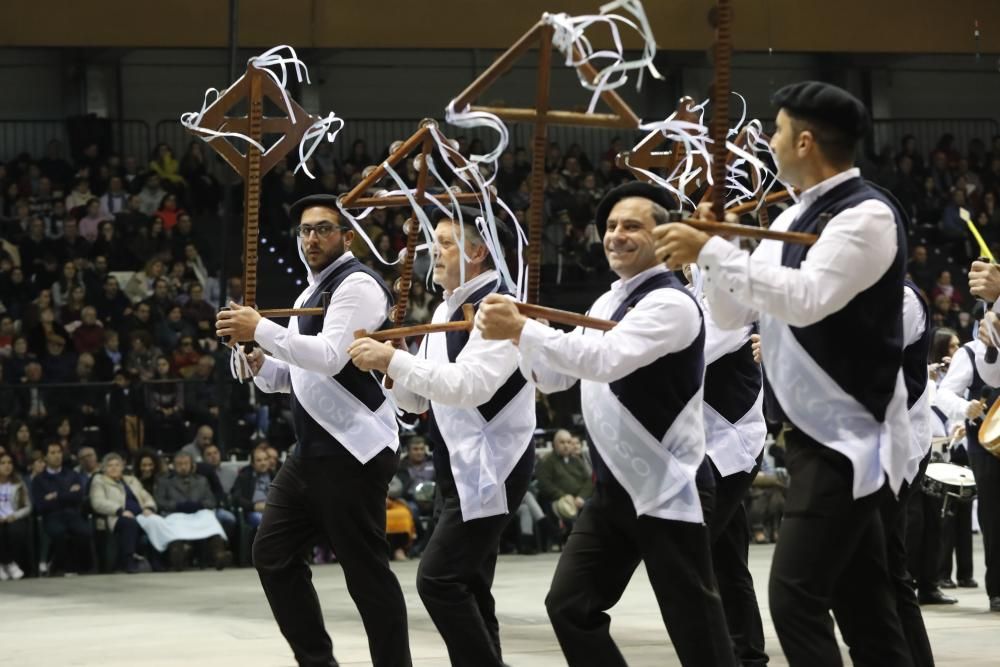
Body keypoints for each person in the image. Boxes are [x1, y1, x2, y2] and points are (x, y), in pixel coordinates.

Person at [654, 81, 915, 664]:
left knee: (794, 595)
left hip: (852, 437)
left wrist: (715, 252)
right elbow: (730, 316)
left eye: (775, 130)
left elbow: (805, 298)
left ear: (803, 140)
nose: (768, 141)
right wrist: (716, 250)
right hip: (813, 436)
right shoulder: (796, 215)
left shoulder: (867, 214)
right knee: (864, 604)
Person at [477, 182, 735, 666]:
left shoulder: (672, 304)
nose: (616, 234)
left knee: (693, 623)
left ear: (663, 238)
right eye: (612, 226)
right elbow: (554, 377)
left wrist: (522, 329)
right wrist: (516, 337)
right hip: (614, 488)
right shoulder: (606, 302)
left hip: (666, 484)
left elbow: (605, 358)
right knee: (570, 606)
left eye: (632, 225)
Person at [216, 193, 411, 667]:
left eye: (323, 228)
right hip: (314, 450)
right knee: (272, 553)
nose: (312, 238)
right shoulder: (310, 293)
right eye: (305, 230)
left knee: (365, 575)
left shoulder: (358, 285)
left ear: (346, 236)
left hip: (354, 449)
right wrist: (259, 360)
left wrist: (260, 327)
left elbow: (329, 357)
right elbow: (294, 376)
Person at [349, 206, 535, 667]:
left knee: (439, 580)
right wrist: (390, 366)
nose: (435, 251)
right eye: (434, 242)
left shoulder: (499, 307)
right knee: (469, 584)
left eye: (446, 243)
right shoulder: (445, 308)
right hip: (457, 462)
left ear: (478, 252)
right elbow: (418, 400)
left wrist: (393, 362)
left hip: (495, 462)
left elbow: (469, 386)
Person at [686, 265, 769, 667]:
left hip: (732, 444)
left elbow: (693, 353)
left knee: (692, 553)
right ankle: (748, 652)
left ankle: (717, 652)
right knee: (727, 556)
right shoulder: (692, 297)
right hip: (704, 445)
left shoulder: (733, 303)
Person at [932, 309, 1000, 614]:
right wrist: (966, 408)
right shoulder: (969, 353)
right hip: (986, 443)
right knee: (994, 517)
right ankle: (998, 589)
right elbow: (944, 394)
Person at [31, 442, 93, 575]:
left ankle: (80, 567)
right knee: (59, 533)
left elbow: (78, 496)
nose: (57, 456)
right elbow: (41, 505)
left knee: (84, 532)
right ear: (45, 457)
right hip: (52, 516)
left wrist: (56, 495)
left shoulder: (71, 474)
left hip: (72, 514)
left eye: (59, 452)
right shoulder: (39, 479)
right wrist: (67, 494)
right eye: (52, 453)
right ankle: (60, 567)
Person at [89, 452, 157, 573]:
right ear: (104, 469)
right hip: (116, 517)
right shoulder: (99, 480)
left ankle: (157, 561)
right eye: (110, 465)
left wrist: (149, 508)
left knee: (156, 521)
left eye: (117, 465)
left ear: (122, 467)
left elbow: (145, 496)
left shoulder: (131, 480)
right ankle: (128, 561)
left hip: (141, 515)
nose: (114, 468)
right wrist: (119, 510)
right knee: (129, 523)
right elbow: (97, 502)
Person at [0, 452, 31, 580]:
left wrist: (15, 516)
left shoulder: (19, 483)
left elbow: (28, 506)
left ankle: (7, 563)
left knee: (15, 532)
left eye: (10, 463)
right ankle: (8, 564)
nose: (7, 466)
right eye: (3, 463)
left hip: (13, 518)